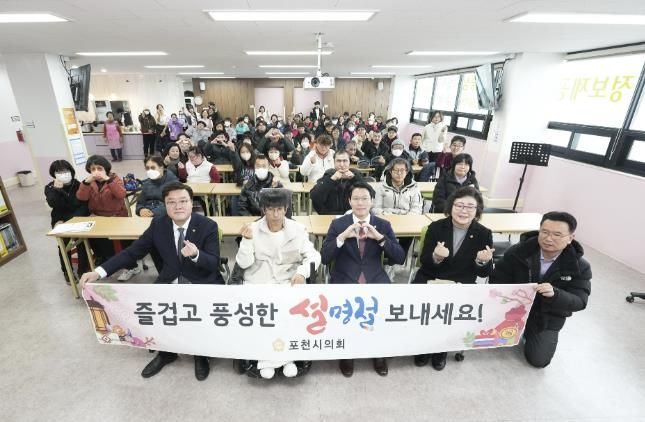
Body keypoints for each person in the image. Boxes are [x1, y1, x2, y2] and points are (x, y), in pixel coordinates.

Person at [80, 182, 225, 381]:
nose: (178, 206)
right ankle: (166, 353)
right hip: (169, 281)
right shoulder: (159, 224)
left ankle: (200, 355)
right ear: (165, 205)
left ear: (192, 203)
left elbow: (213, 263)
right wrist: (98, 272)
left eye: (183, 201)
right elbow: (133, 251)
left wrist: (196, 254)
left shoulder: (207, 225)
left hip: (201, 282)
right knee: (154, 312)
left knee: (197, 318)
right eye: (171, 202)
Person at [321, 181, 406, 377]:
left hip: (374, 275)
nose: (360, 203)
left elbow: (399, 258)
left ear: (372, 201)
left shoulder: (383, 225)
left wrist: (380, 238)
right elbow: (324, 257)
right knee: (345, 313)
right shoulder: (338, 224)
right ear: (349, 201)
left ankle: (378, 353)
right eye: (356, 199)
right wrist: (342, 237)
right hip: (344, 275)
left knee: (383, 310)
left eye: (365, 198)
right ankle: (347, 354)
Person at [236, 189, 321, 379]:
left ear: (286, 208)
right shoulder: (252, 228)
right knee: (264, 319)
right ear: (263, 209)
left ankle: (275, 361)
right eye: (271, 209)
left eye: (280, 209)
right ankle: (277, 361)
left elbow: (314, 256)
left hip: (288, 281)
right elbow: (243, 263)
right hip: (259, 280)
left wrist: (302, 272)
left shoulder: (298, 229)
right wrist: (247, 241)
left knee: (290, 317)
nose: (276, 214)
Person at [491, 211, 591, 368]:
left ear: (570, 238)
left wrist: (556, 294)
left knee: (539, 361)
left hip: (546, 317)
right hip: (512, 308)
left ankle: (528, 332)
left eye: (557, 234)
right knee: (488, 339)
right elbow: (497, 279)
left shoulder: (580, 266)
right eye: (544, 232)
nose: (549, 238)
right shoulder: (518, 252)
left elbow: (580, 301)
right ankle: (518, 328)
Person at [412, 186, 494, 370]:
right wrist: (436, 257)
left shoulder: (484, 233)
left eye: (470, 206)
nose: (464, 211)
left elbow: (484, 273)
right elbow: (424, 262)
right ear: (451, 206)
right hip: (432, 276)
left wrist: (482, 262)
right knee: (424, 309)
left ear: (477, 211)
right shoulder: (436, 227)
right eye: (459, 205)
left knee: (450, 315)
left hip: (461, 282)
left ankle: (441, 350)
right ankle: (423, 346)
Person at [76, 155, 140, 280]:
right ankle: (108, 266)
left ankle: (132, 267)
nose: (96, 172)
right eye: (93, 169)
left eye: (99, 168)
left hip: (118, 216)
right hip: (99, 217)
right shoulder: (89, 182)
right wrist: (85, 183)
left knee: (125, 242)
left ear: (105, 168)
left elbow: (121, 194)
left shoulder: (115, 179)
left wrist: (108, 180)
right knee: (101, 243)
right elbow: (81, 197)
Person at [45, 159, 90, 284]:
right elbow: (53, 203)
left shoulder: (78, 184)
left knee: (81, 240)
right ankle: (67, 271)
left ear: (71, 171)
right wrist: (56, 190)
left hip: (77, 216)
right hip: (60, 218)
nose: (63, 174)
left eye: (65, 171)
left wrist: (73, 221)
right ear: (54, 174)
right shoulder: (50, 187)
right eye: (59, 172)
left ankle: (82, 269)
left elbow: (81, 205)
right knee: (64, 243)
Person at [373, 158, 422, 255]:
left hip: (406, 222)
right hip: (386, 221)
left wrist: (405, 218)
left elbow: (417, 209)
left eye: (402, 170)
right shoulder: (381, 187)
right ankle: (388, 258)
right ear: (390, 171)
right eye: (396, 170)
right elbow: (375, 209)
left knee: (407, 239)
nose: (399, 173)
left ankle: (400, 257)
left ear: (407, 172)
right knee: (384, 239)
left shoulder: (414, 187)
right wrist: (388, 216)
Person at [310, 150, 364, 215]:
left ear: (349, 162)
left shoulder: (356, 175)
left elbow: (371, 193)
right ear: (334, 162)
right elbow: (314, 196)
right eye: (338, 161)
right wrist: (331, 180)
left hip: (353, 215)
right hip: (330, 215)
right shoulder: (328, 174)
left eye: (345, 161)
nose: (342, 164)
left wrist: (354, 178)